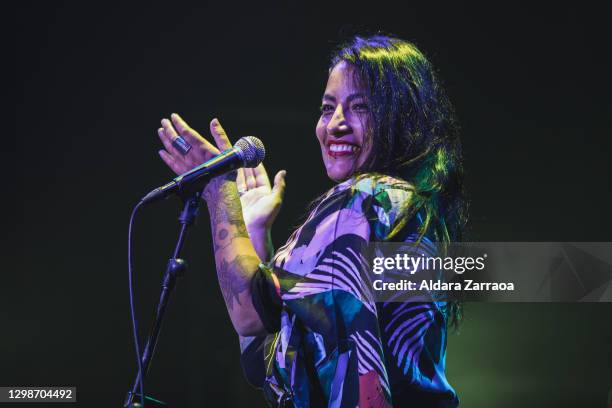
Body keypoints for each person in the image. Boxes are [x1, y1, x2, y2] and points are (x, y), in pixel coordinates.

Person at [156, 35, 466, 408]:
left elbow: (248, 315)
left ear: (402, 117)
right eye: (327, 108)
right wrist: (254, 231)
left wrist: (219, 193)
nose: (335, 124)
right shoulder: (409, 213)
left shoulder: (366, 201)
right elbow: (262, 360)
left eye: (360, 107)